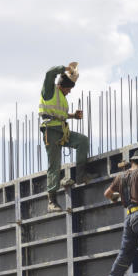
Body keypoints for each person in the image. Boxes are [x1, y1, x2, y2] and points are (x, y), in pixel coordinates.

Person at [39, 62, 89, 213]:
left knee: (82, 140)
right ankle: (51, 201)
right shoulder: (49, 90)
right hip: (51, 131)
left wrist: (72, 116)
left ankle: (81, 176)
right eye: (68, 89)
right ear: (61, 86)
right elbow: (49, 73)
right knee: (54, 164)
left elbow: (59, 113)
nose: (69, 92)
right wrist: (66, 69)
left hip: (62, 131)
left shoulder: (61, 96)